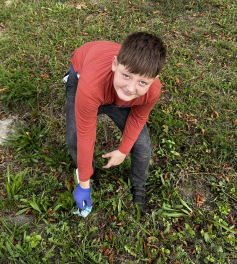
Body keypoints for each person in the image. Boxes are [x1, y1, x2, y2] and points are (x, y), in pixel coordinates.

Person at [64, 32, 166, 211]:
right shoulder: (90, 87)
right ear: (114, 64)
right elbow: (86, 134)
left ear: (154, 80)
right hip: (85, 79)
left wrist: (123, 150)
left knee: (141, 145)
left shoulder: (152, 91)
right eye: (126, 75)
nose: (131, 88)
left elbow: (138, 117)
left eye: (142, 82)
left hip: (109, 88)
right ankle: (89, 175)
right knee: (74, 139)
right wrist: (84, 184)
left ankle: (138, 185)